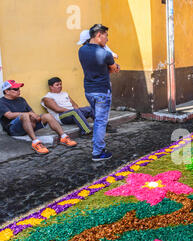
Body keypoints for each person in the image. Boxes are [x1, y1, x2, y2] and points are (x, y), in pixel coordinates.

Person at [0, 80, 77, 154]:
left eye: (19, 88)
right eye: (16, 89)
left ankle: (63, 137)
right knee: (24, 115)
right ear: (7, 91)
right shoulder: (1, 102)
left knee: (47, 116)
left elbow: (31, 112)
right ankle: (35, 143)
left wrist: (35, 118)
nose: (19, 90)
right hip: (13, 130)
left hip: (28, 124)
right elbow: (9, 115)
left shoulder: (21, 99)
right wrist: (28, 115)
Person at [79, 24, 120, 161]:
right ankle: (98, 152)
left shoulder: (82, 50)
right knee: (101, 122)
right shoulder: (105, 54)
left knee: (98, 120)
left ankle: (97, 144)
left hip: (89, 90)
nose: (107, 39)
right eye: (106, 36)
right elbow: (113, 69)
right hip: (102, 90)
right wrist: (115, 67)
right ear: (98, 35)